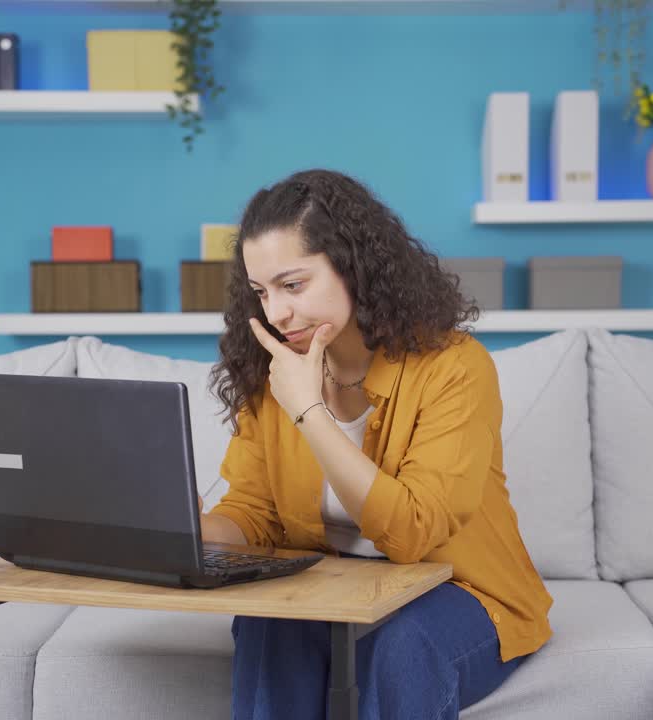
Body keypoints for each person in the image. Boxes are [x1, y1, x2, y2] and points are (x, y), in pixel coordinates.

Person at [201, 168, 553, 720]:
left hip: (461, 592)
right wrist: (173, 529)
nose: (275, 313)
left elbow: (414, 530)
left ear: (353, 267)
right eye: (261, 292)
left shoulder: (456, 368)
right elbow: (253, 513)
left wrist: (309, 410)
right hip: (334, 590)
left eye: (293, 285)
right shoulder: (270, 372)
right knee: (268, 623)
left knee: (404, 645)